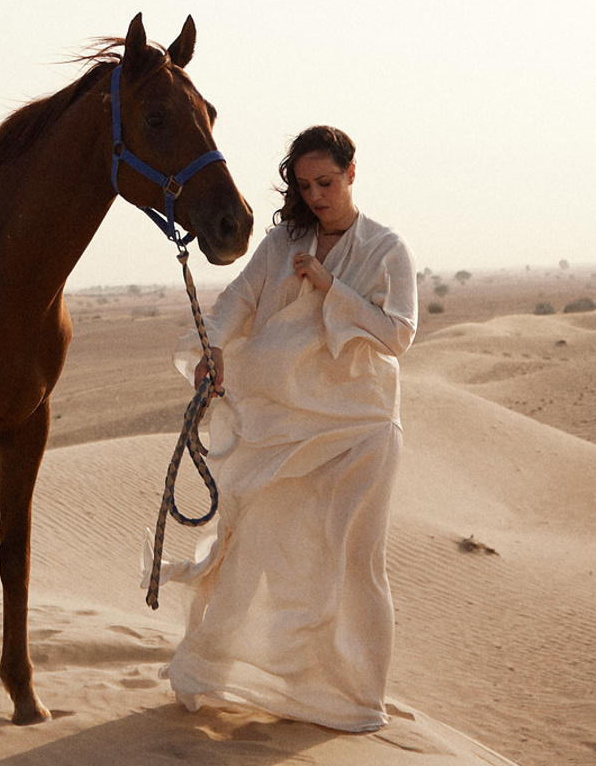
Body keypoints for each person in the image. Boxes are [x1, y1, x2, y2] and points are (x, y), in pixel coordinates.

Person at [158, 125, 417, 733]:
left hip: (360, 429)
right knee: (251, 547)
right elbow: (237, 301)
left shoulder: (386, 247)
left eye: (326, 182)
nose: (317, 195)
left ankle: (353, 699)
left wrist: (334, 289)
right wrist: (213, 346)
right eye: (304, 185)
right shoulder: (283, 241)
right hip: (276, 426)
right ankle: (223, 674)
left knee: (354, 561)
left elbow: (399, 335)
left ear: (352, 173)